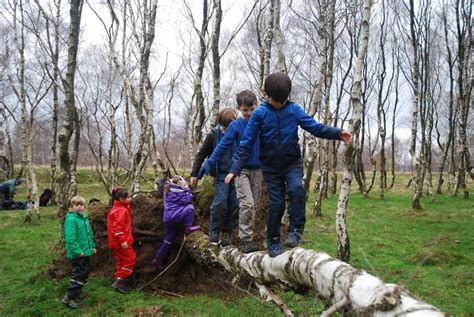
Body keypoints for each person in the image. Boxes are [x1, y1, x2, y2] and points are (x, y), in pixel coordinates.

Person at [226, 72, 352, 257]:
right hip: (270, 167)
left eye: (282, 100)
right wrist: (235, 168)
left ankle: (295, 229)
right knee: (276, 204)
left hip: (292, 162)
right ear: (267, 95)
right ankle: (273, 241)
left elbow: (314, 127)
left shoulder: (293, 110)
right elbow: (246, 143)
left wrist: (338, 133)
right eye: (276, 100)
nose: (279, 104)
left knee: (296, 189)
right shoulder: (259, 113)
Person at [201, 90, 262, 253]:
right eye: (245, 110)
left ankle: (238, 234)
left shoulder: (260, 122)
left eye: (252, 109)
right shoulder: (236, 125)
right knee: (245, 203)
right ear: (239, 109)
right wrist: (209, 163)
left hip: (258, 170)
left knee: (252, 205)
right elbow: (222, 146)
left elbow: (269, 142)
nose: (249, 113)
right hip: (239, 169)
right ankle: (245, 240)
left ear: (256, 105)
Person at [190, 107, 239, 246]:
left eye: (228, 127)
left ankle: (228, 231)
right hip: (221, 175)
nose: (226, 130)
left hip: (237, 174)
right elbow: (201, 154)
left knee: (235, 204)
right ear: (220, 124)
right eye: (224, 127)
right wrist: (195, 173)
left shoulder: (239, 132)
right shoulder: (213, 135)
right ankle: (214, 230)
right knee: (220, 202)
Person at [152, 176, 200, 270]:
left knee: (168, 240)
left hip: (168, 220)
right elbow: (190, 199)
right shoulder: (183, 195)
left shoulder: (166, 192)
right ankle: (188, 227)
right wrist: (187, 188)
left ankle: (158, 259)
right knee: (190, 208)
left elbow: (168, 184)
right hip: (178, 218)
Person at [61, 195, 96, 309]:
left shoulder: (83, 218)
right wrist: (77, 251)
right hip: (78, 253)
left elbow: (88, 234)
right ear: (72, 206)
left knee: (84, 273)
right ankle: (70, 297)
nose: (80, 207)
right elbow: (70, 238)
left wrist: (92, 247)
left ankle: (73, 295)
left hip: (86, 251)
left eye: (82, 205)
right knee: (79, 274)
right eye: (77, 205)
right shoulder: (71, 219)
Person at [107, 188, 135, 293]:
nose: (131, 199)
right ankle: (121, 280)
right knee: (130, 259)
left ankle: (119, 279)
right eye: (128, 197)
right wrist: (123, 240)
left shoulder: (120, 207)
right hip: (121, 242)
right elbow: (117, 227)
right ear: (121, 199)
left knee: (121, 260)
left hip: (115, 242)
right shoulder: (120, 210)